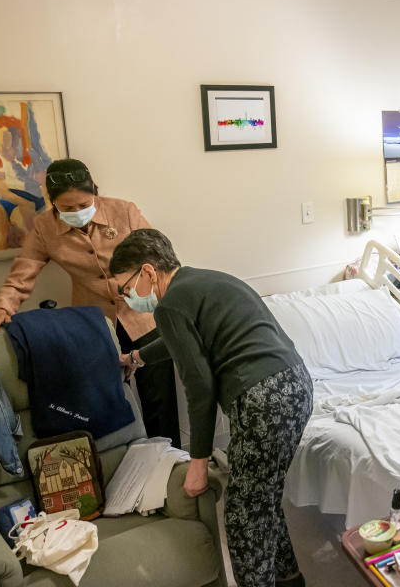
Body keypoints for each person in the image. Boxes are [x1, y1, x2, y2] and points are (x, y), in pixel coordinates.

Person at [109, 229, 311, 587]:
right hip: (296, 386)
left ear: (148, 272)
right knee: (263, 498)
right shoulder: (206, 281)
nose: (126, 298)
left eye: (126, 288)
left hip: (262, 398)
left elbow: (200, 388)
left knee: (242, 516)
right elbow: (178, 340)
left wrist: (198, 464)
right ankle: (289, 579)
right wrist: (137, 357)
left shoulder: (170, 304)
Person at [0, 159, 181, 445]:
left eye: (83, 204)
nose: (77, 212)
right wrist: (1, 308)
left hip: (143, 317)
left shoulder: (125, 211)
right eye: (67, 208)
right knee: (110, 403)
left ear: (94, 191)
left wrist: (147, 290)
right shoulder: (45, 228)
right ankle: (127, 466)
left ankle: (169, 464)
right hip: (96, 327)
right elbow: (23, 273)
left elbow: (157, 258)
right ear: (53, 203)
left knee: (160, 402)